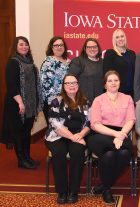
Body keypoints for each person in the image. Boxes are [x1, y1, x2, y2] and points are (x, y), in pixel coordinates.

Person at [87, 70, 135, 204]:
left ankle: (104, 186)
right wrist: (116, 135)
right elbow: (95, 124)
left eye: (116, 80)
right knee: (112, 152)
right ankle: (107, 190)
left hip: (122, 132)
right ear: (105, 84)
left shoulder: (128, 98)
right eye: (110, 81)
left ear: (120, 82)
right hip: (100, 134)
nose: (113, 83)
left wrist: (121, 135)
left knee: (124, 153)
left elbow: (131, 119)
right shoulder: (98, 100)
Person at [45, 74, 90, 204]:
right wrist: (72, 137)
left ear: (78, 84)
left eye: (74, 82)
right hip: (58, 136)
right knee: (59, 153)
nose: (71, 85)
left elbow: (89, 122)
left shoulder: (85, 101)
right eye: (68, 83)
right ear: (63, 86)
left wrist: (80, 135)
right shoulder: (56, 101)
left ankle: (74, 191)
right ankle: (62, 191)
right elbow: (54, 123)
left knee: (77, 152)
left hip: (79, 135)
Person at [1, 36, 42, 169]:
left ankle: (27, 157)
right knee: (19, 132)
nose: (24, 47)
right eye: (21, 45)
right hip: (17, 103)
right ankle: (21, 160)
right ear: (16, 47)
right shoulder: (13, 62)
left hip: (30, 103)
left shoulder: (30, 62)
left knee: (26, 131)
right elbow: (11, 85)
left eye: (26, 45)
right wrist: (20, 103)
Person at [40, 36, 70, 124]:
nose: (59, 47)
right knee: (55, 130)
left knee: (67, 128)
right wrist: (55, 102)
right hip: (53, 102)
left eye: (61, 45)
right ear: (51, 47)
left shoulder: (69, 61)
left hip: (67, 101)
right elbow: (45, 84)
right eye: (56, 45)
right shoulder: (48, 62)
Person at [103, 29, 136, 98]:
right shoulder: (110, 53)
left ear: (125, 38)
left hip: (131, 92)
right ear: (114, 40)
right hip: (116, 92)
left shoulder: (132, 53)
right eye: (117, 37)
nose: (120, 39)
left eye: (122, 36)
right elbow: (106, 74)